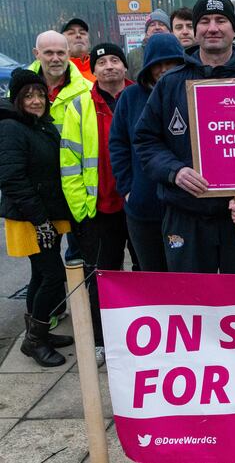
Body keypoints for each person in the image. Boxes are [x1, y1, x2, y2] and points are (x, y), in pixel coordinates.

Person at [135, 0, 235, 275]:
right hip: (185, 216)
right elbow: (146, 140)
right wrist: (174, 171)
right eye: (204, 21)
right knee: (190, 300)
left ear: (233, 30)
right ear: (196, 30)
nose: (212, 27)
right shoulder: (170, 83)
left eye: (221, 20)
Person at [61, 42, 137, 366]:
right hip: (99, 209)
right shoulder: (79, 106)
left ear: (125, 66)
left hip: (138, 206)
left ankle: (144, 333)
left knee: (146, 272)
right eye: (102, 61)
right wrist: (82, 211)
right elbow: (69, 162)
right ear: (93, 69)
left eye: (114, 60)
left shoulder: (140, 97)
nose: (109, 66)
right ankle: (101, 340)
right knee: (101, 276)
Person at [0, 70, 74, 367]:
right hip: (32, 218)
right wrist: (40, 220)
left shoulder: (42, 126)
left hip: (47, 215)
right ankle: (35, 341)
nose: (36, 100)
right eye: (28, 96)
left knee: (41, 274)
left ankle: (37, 331)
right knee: (53, 275)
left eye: (40, 94)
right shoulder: (11, 127)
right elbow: (11, 178)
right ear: (17, 99)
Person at [110, 34, 184, 272]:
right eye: (157, 65)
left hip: (186, 208)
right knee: (151, 273)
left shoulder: (192, 93)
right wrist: (128, 189)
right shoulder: (131, 98)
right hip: (143, 207)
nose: (163, 70)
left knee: (186, 276)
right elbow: (118, 144)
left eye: (170, 63)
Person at [29, 31, 92, 283]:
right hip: (40, 189)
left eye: (60, 53)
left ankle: (86, 312)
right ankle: (50, 310)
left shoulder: (87, 89)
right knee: (45, 261)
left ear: (69, 55)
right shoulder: (21, 90)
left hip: (77, 187)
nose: (55, 59)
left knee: (82, 253)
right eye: (48, 53)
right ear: (37, 54)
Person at [127, 8, 171, 79]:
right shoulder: (133, 55)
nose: (157, 27)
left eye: (161, 24)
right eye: (152, 25)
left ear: (169, 31)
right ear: (146, 32)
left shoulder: (178, 51)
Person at [61, 17, 95, 82]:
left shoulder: (101, 68)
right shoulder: (56, 72)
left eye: (82, 33)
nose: (78, 35)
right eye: (71, 33)